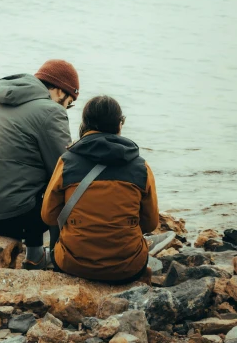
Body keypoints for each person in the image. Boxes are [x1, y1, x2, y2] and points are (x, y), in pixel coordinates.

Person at [0, 59, 80, 269]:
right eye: (69, 102)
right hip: (12, 218)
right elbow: (64, 168)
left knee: (23, 173)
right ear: (60, 90)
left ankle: (35, 254)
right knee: (63, 184)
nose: (67, 108)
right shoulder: (51, 111)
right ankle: (57, 257)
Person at [41, 95, 161, 283]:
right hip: (128, 267)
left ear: (84, 125)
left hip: (72, 264)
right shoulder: (141, 167)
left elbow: (48, 215)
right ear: (119, 124)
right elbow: (150, 223)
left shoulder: (66, 162)